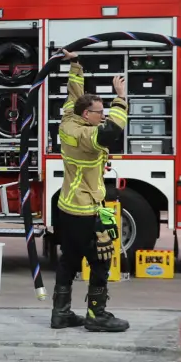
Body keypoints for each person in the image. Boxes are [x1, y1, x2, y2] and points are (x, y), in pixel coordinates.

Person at [51, 55, 130, 332]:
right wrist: (120, 98)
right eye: (99, 112)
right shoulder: (87, 136)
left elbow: (74, 93)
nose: (103, 115)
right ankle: (98, 315)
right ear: (88, 115)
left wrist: (76, 66)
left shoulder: (69, 119)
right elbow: (111, 133)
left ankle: (60, 314)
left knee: (69, 259)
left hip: (67, 206)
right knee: (100, 259)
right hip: (87, 208)